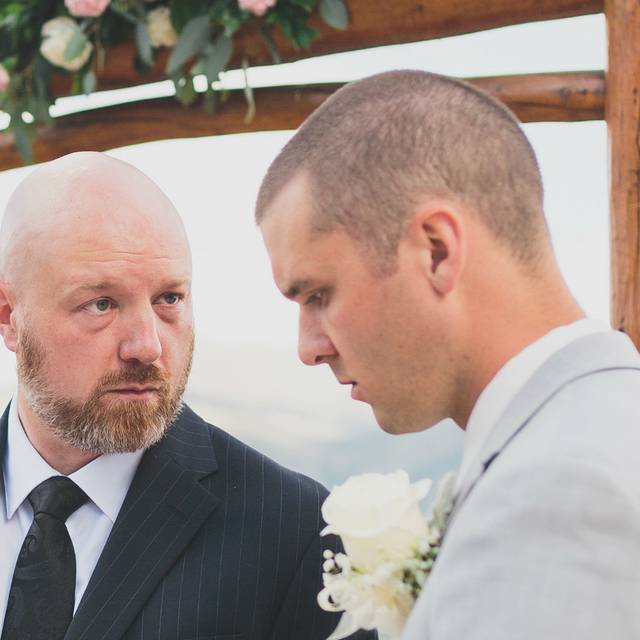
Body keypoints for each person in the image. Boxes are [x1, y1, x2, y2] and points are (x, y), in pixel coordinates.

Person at [0, 152, 374, 640]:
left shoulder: (298, 534)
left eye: (169, 299)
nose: (146, 345)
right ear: (7, 315)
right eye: (101, 303)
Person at [256, 69, 640, 639]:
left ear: (436, 250)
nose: (309, 349)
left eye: (318, 295)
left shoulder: (558, 493)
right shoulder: (596, 424)